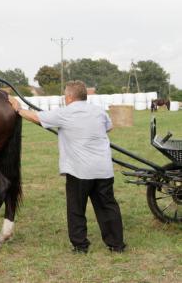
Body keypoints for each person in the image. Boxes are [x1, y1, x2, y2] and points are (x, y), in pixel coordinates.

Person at [9, 80, 126, 254]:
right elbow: (108, 128)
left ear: (70, 96)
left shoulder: (65, 113)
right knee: (108, 207)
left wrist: (17, 108)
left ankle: (80, 245)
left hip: (79, 171)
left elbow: (36, 117)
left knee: (76, 208)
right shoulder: (99, 112)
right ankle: (116, 245)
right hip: (103, 169)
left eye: (65, 94)